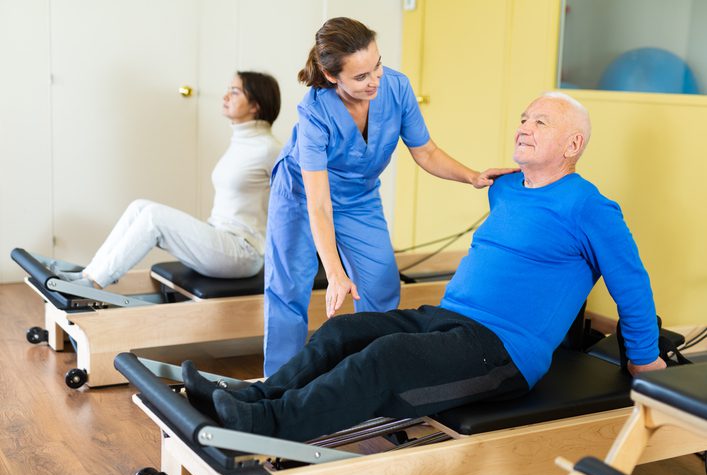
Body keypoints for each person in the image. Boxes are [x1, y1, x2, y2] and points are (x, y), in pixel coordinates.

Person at [183, 92, 666, 442]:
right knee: (342, 334)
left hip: (502, 352)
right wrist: (506, 174)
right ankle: (256, 398)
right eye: (523, 117)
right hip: (446, 318)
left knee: (384, 358)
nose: (523, 126)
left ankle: (266, 425)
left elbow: (633, 287)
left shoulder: (592, 208)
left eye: (540, 123)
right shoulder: (508, 189)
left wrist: (644, 362)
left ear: (573, 144)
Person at [263, 17, 516, 375]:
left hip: (358, 196)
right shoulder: (314, 112)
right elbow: (319, 205)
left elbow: (425, 151)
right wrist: (335, 273)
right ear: (332, 75)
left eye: (377, 65)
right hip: (300, 196)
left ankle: (368, 378)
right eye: (361, 76)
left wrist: (472, 176)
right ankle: (276, 389)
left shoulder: (396, 88)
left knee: (381, 287)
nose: (375, 79)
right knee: (289, 289)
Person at [54, 71, 282, 288]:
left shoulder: (270, 149)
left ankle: (94, 283)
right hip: (221, 238)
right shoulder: (241, 142)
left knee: (154, 218)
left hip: (243, 252)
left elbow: (301, 201)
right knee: (139, 206)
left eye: (234, 92)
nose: (225, 97)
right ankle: (89, 273)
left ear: (255, 105)